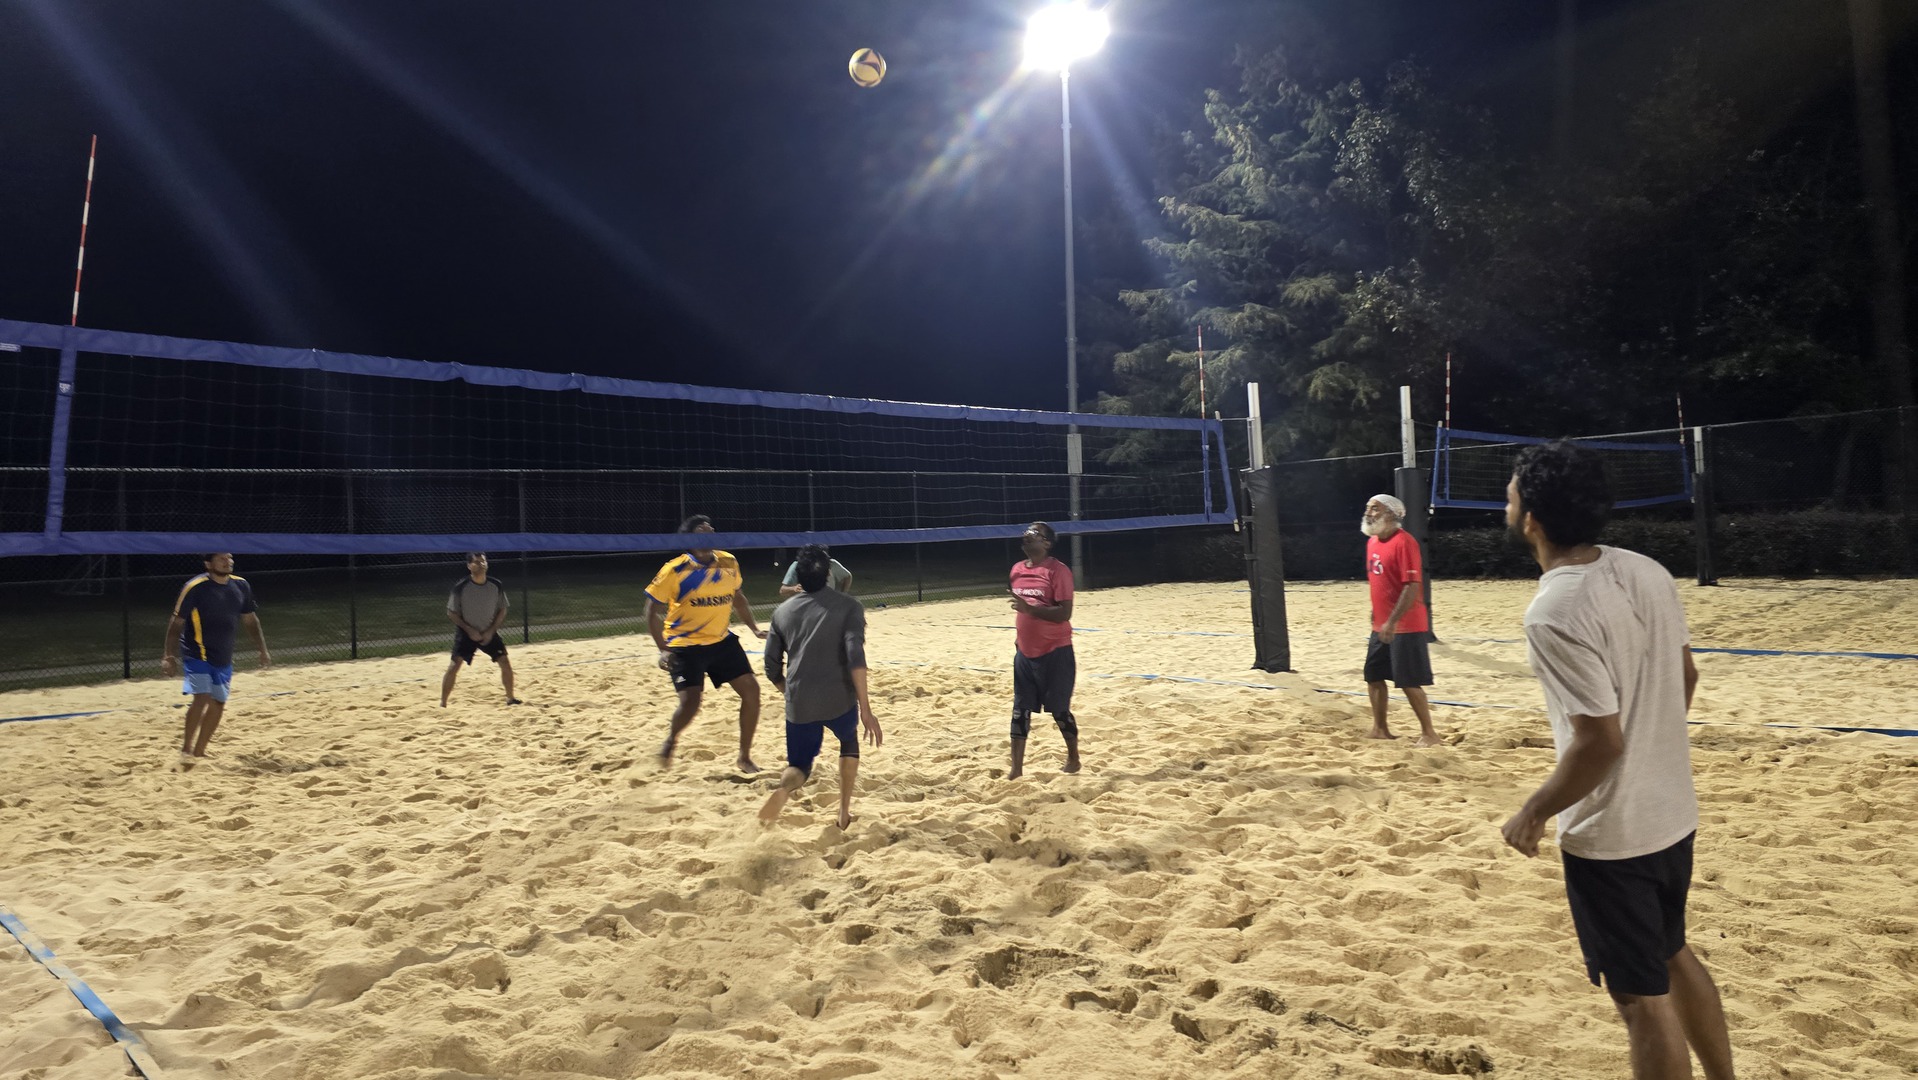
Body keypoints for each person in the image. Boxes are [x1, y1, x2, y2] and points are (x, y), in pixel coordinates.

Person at [1500, 440, 1735, 1080]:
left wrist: (1533, 811)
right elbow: (1685, 677)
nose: (1506, 504)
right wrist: (1654, 749)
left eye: (1511, 496)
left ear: (1533, 521)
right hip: (1673, 812)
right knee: (1673, 953)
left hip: (1614, 836)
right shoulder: (1645, 569)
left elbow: (1600, 742)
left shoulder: (1554, 611)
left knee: (1640, 1001)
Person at [758, 544, 883, 829]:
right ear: (828, 574)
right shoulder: (849, 606)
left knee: (799, 767)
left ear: (798, 578)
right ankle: (843, 812)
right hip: (839, 699)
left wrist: (789, 693)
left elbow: (771, 668)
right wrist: (866, 709)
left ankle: (785, 789)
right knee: (848, 742)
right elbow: (855, 658)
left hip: (800, 701)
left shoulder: (782, 612)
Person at [645, 514, 767, 772]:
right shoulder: (675, 570)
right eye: (703, 529)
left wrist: (754, 628)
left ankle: (744, 757)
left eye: (712, 528)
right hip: (685, 645)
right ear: (691, 538)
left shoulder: (728, 561)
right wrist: (663, 650)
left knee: (752, 692)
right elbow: (651, 611)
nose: (710, 532)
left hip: (721, 642)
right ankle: (671, 740)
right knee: (690, 703)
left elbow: (738, 598)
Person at [160, 553, 269, 767]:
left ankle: (200, 751)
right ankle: (186, 749)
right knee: (201, 697)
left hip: (223, 654)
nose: (228, 562)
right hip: (196, 651)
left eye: (229, 558)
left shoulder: (241, 585)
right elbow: (177, 621)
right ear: (208, 564)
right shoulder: (195, 587)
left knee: (219, 702)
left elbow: (250, 620)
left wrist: (262, 650)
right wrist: (168, 655)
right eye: (221, 559)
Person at [1361, 493, 1442, 746]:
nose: (1368, 512)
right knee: (1373, 676)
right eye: (1368, 507)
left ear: (1391, 514)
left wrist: (1393, 621)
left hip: (1406, 625)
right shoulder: (1372, 542)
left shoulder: (1404, 542)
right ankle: (1380, 729)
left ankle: (1429, 734)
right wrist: (1377, 613)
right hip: (1381, 624)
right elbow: (1381, 583)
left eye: (1375, 508)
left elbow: (1411, 586)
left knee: (1408, 681)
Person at [1006, 521, 1079, 779]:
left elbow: (1064, 613)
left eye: (1033, 533)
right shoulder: (1017, 570)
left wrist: (1030, 610)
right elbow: (1022, 610)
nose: (1026, 534)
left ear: (1046, 543)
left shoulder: (1058, 571)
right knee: (1020, 710)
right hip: (1025, 652)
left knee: (1059, 711)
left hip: (1056, 651)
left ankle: (1073, 759)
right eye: (1026, 531)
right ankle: (1016, 770)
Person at [442, 552, 519, 706]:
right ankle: (443, 703)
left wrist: (491, 631)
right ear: (469, 566)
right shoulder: (461, 587)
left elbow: (502, 609)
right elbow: (451, 612)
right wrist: (469, 630)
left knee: (504, 661)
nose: (481, 564)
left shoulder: (495, 584)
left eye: (483, 561)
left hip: (488, 631)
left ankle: (510, 698)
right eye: (476, 562)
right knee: (454, 665)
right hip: (467, 633)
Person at [778, 547, 852, 597]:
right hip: (805, 604)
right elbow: (782, 590)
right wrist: (794, 588)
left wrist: (843, 594)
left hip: (827, 603)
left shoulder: (831, 564)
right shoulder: (797, 566)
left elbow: (848, 576)